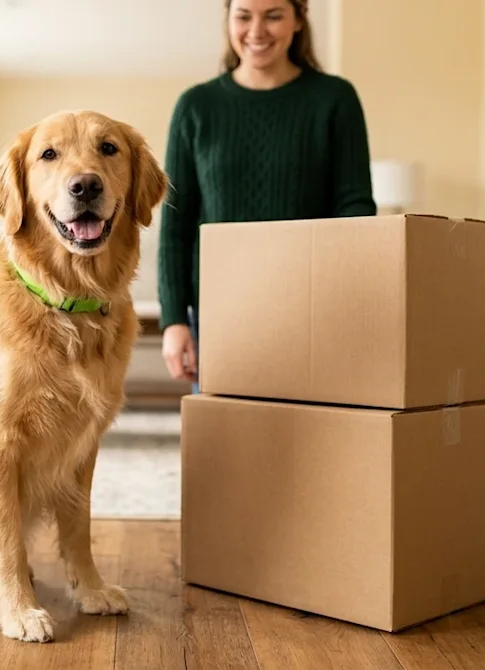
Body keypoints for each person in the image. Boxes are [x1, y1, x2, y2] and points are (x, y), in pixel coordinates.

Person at [157, 0, 377, 391]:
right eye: (243, 15)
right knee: (230, 445)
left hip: (313, 308)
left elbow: (355, 205)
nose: (256, 30)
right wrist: (174, 320)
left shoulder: (335, 99)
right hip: (219, 313)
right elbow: (177, 226)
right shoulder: (196, 107)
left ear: (298, 19)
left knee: (314, 439)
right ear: (229, 19)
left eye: (273, 15)